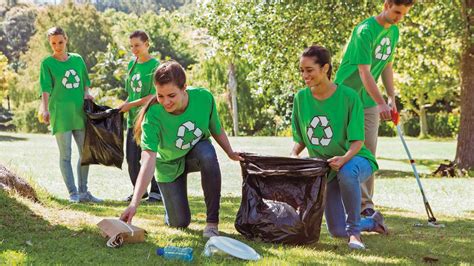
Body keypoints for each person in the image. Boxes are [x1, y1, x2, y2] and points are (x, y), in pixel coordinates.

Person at [120, 61, 242, 237]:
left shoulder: (204, 98)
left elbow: (215, 128)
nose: (165, 102)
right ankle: (171, 210)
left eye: (171, 95)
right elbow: (148, 160)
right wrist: (134, 203)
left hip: (194, 154)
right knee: (179, 223)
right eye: (160, 96)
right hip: (168, 164)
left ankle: (212, 223)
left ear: (184, 87)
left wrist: (230, 152)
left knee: (207, 152)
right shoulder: (153, 115)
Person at [290, 45, 388, 249]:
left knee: (347, 171)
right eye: (302, 70)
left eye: (310, 70)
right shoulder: (301, 99)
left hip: (356, 160)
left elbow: (357, 141)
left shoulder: (349, 97)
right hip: (328, 168)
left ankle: (355, 235)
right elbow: (301, 139)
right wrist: (293, 155)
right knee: (335, 230)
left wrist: (343, 159)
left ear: (325, 68)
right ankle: (372, 222)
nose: (304, 75)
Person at [334, 0, 415, 217]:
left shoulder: (394, 32)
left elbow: (387, 65)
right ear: (386, 4)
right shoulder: (365, 30)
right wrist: (380, 102)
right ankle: (342, 205)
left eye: (403, 14)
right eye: (397, 12)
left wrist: (391, 98)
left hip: (368, 99)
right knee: (350, 149)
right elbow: (364, 72)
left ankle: (365, 207)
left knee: (368, 152)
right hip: (347, 97)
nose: (399, 18)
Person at [39, 26, 102, 203]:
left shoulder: (78, 60)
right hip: (60, 114)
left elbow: (85, 82)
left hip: (79, 113)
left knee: (85, 153)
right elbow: (45, 88)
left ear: (66, 39)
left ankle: (84, 192)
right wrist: (44, 109)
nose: (57, 46)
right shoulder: (47, 64)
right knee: (65, 155)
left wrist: (87, 93)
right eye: (53, 43)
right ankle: (73, 193)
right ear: (50, 43)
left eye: (60, 41)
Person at [118, 30, 162, 203]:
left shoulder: (155, 66)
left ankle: (156, 192)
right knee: (131, 159)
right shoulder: (132, 64)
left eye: (137, 45)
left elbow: (154, 96)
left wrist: (130, 105)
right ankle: (139, 191)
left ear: (147, 45)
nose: (134, 49)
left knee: (149, 155)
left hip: (148, 118)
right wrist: (124, 105)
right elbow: (132, 93)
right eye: (131, 46)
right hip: (132, 119)